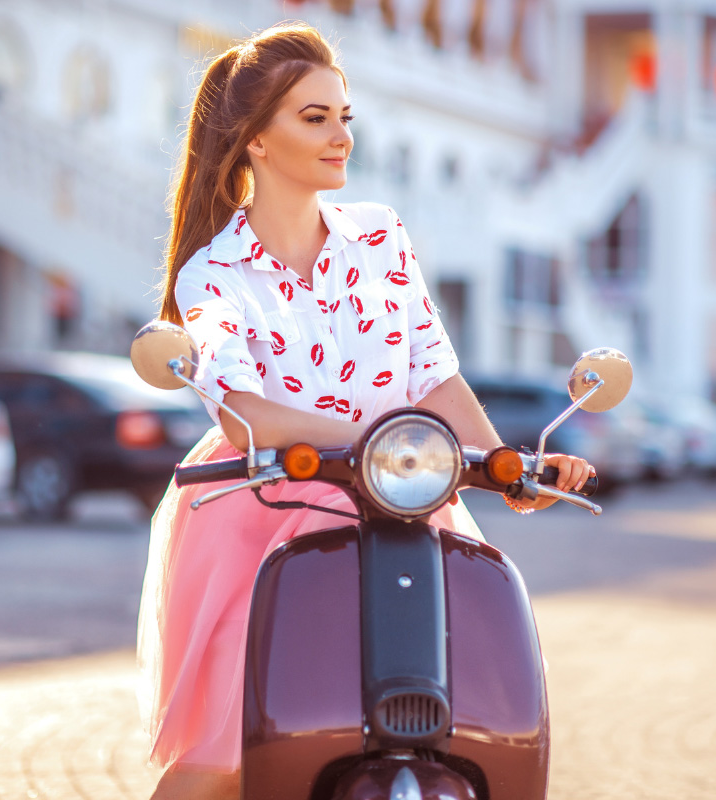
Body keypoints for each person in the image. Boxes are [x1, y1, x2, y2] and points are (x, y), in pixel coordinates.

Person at [138, 22, 593, 800]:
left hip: (402, 501)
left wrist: (504, 461)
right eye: (314, 117)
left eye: (344, 116)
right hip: (267, 509)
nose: (340, 135)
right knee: (219, 761)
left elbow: (435, 375)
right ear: (254, 139)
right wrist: (386, 441)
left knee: (469, 717)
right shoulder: (212, 272)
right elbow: (245, 407)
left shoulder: (381, 236)